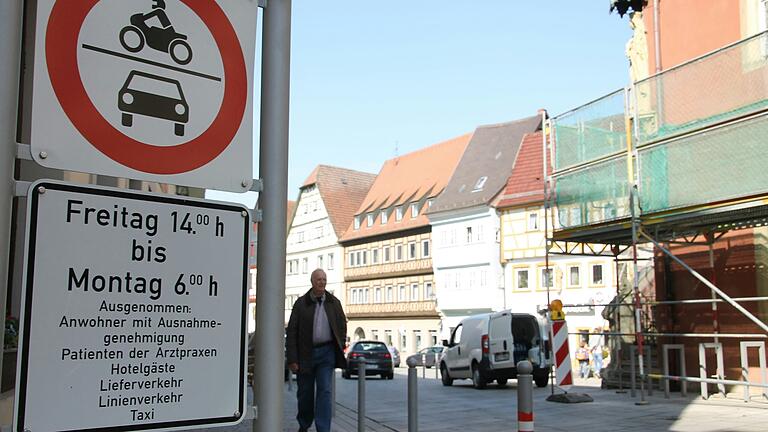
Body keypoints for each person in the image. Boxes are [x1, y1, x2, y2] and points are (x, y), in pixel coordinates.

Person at [286, 269, 347, 432]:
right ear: (312, 281)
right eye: (319, 279)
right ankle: (304, 424)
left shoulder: (334, 302)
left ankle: (323, 428)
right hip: (305, 354)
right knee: (305, 393)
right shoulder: (301, 303)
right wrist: (292, 358)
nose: (322, 282)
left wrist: (339, 345)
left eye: (324, 279)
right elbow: (291, 331)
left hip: (326, 354)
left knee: (325, 391)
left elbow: (342, 325)